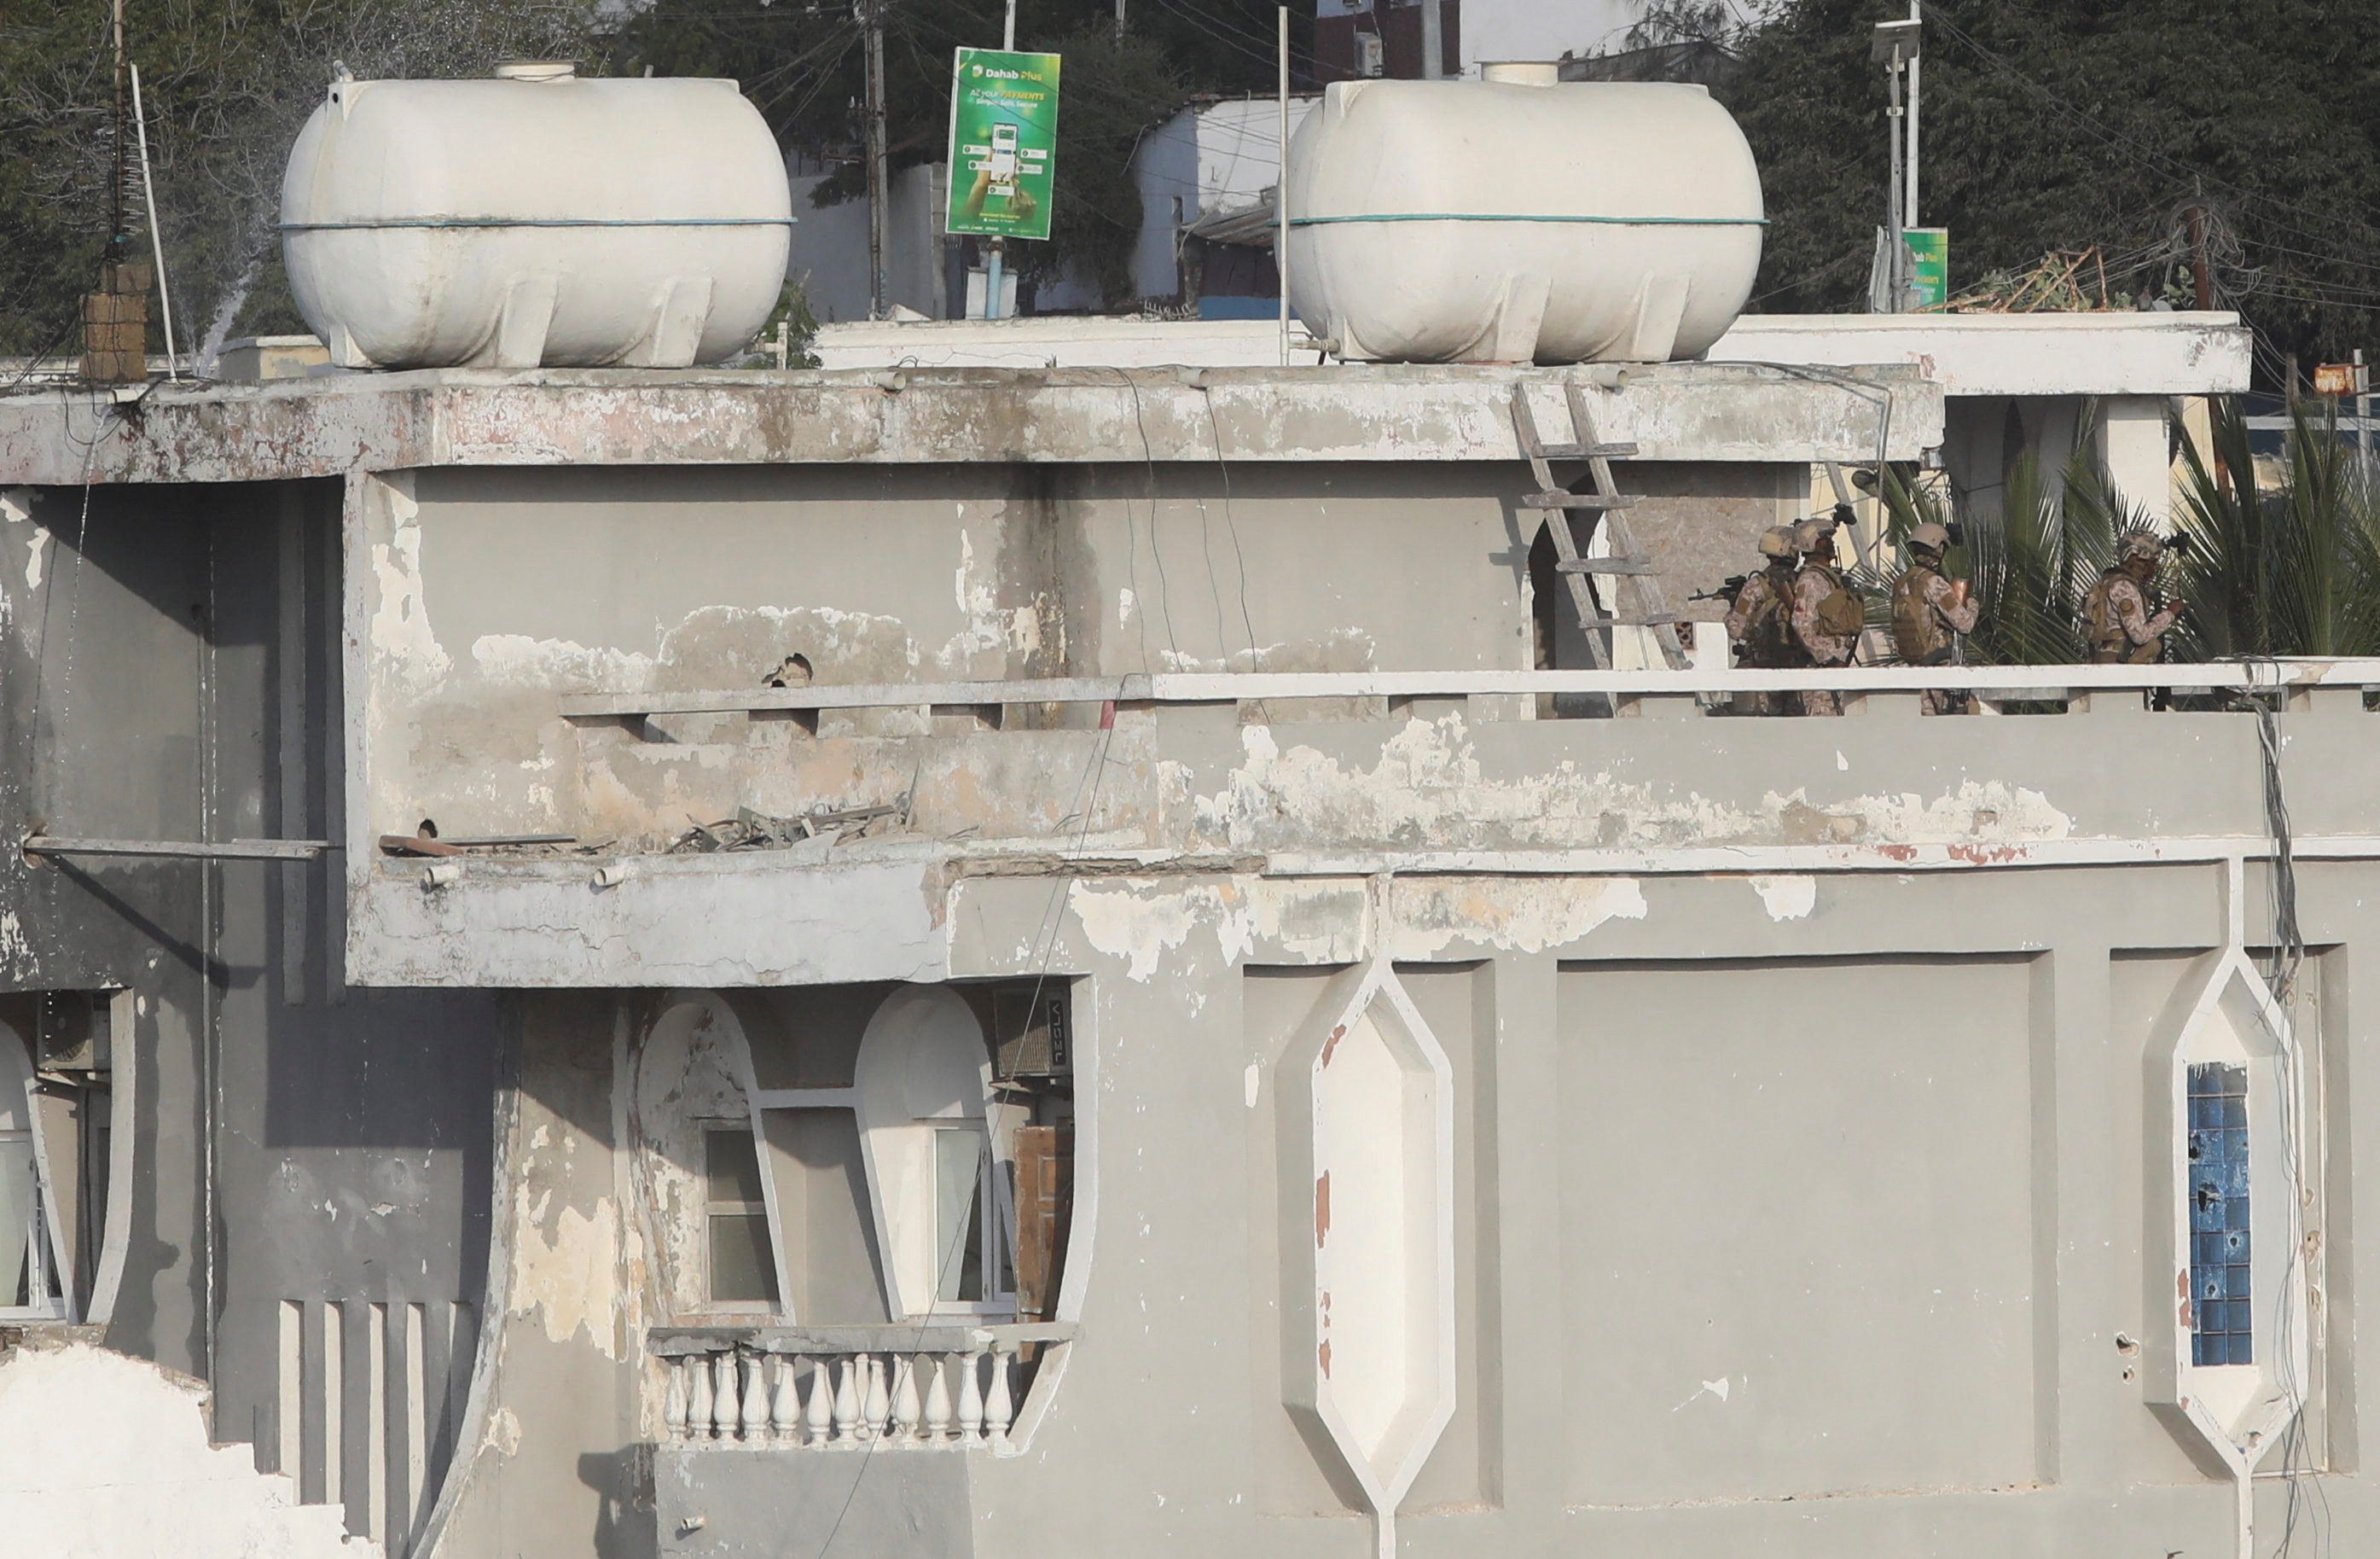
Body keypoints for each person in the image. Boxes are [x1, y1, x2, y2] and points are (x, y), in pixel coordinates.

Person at [1889, 520, 1981, 713]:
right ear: (1938, 549)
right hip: (1939, 671)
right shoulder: (1933, 582)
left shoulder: (1901, 582)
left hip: (1914, 668)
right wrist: (1972, 604)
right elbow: (1965, 624)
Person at [1723, 526, 1804, 713]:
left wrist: (1731, 609)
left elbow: (1736, 629)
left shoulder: (1757, 585)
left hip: (1765, 670)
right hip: (1797, 668)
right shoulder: (1804, 581)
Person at [1790, 516, 1862, 716]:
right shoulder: (1810, 580)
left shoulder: (1827, 578)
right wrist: (1826, 659)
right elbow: (1800, 622)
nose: (1831, 543)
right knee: (1822, 726)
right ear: (1812, 543)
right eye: (1826, 539)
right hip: (1821, 673)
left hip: (1836, 667)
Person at [2084, 528, 2186, 664]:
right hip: (2119, 662)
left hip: (2101, 657)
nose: (2153, 568)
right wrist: (2170, 614)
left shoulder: (2108, 582)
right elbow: (2140, 635)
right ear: (2137, 561)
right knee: (2153, 645)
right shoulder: (2125, 587)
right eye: (2151, 562)